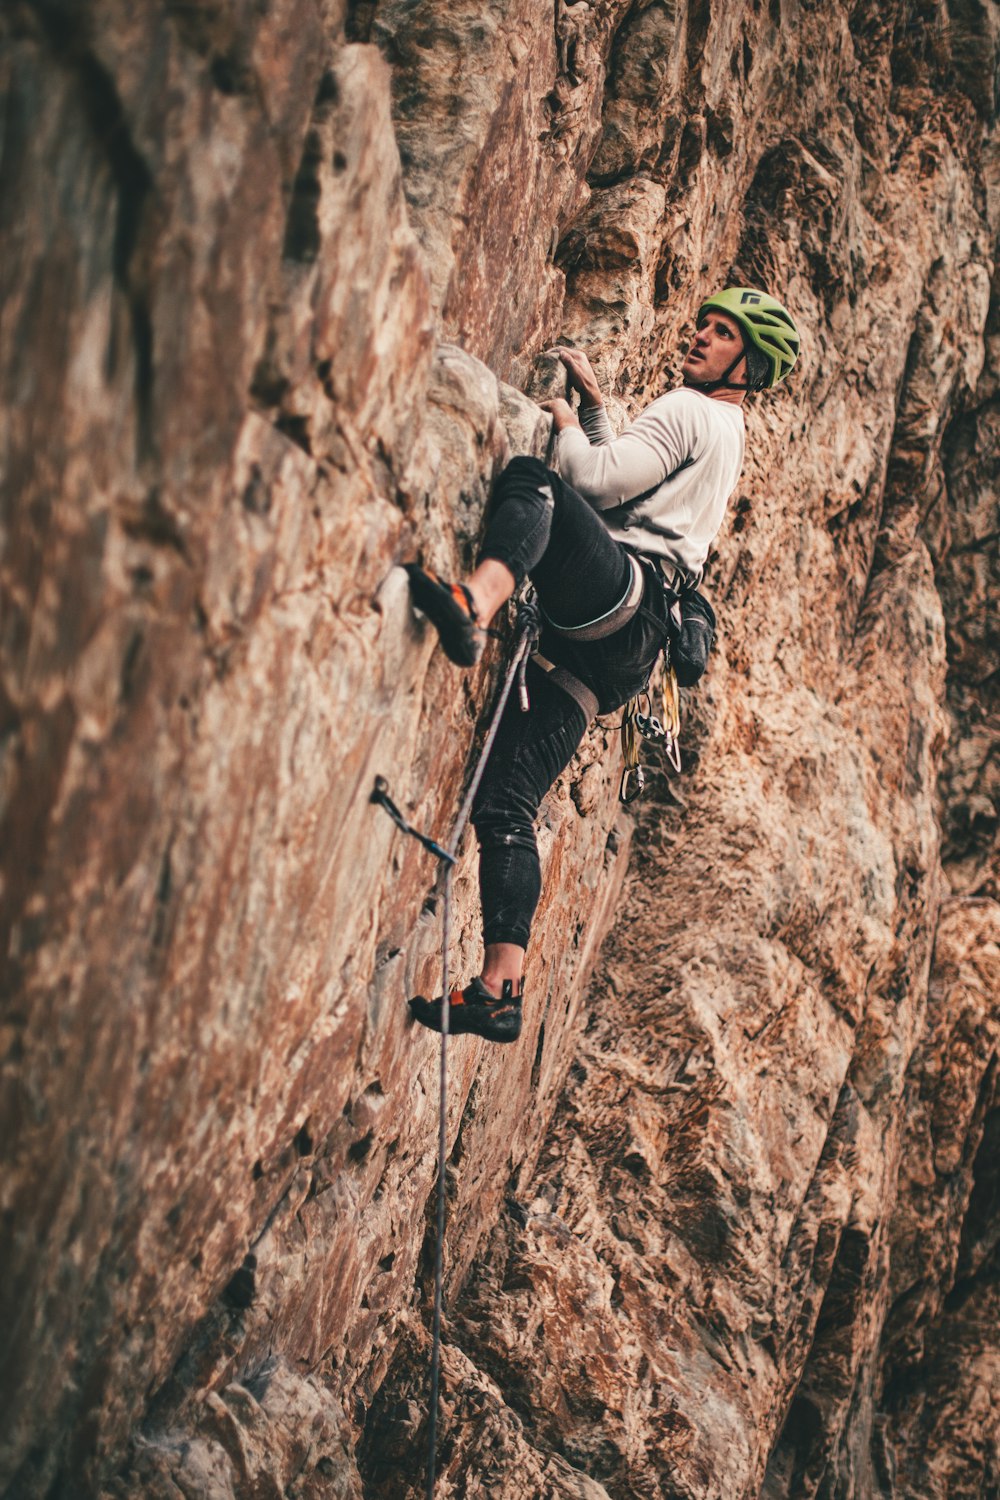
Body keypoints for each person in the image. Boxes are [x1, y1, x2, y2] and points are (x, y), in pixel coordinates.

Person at [406, 289, 800, 1043]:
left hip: (617, 595)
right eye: (705, 326)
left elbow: (593, 485)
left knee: (537, 483)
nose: (701, 338)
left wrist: (560, 425)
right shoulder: (727, 430)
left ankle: (475, 603)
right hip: (626, 650)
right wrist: (591, 408)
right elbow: (634, 490)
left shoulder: (690, 406)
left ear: (746, 365)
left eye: (722, 336)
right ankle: (499, 986)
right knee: (507, 802)